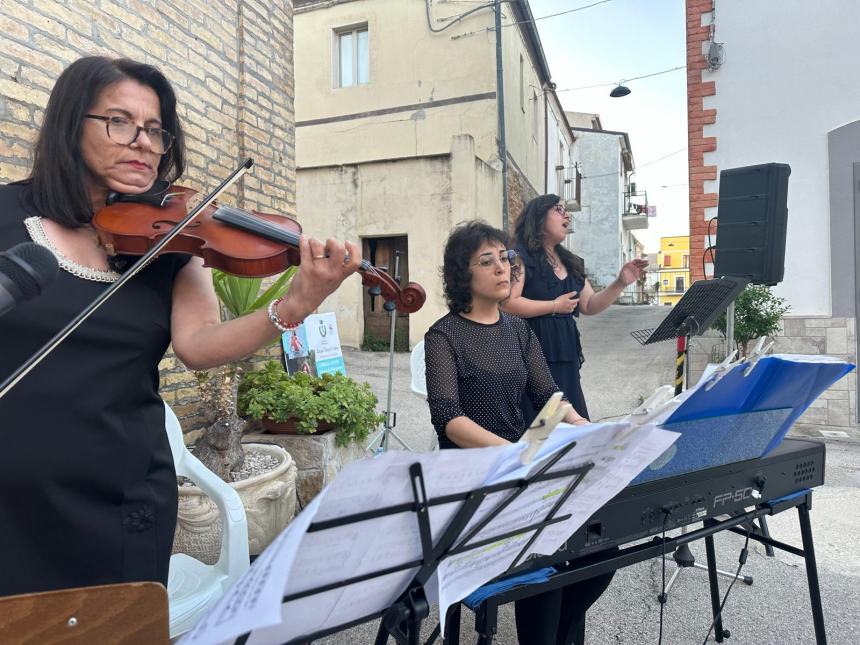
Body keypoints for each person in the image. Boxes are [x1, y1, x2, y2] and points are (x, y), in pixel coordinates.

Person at [0, 56, 361, 597]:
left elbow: (200, 346)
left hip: (121, 499)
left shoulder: (173, 242)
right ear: (70, 123)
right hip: (11, 502)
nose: (143, 142)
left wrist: (299, 300)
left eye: (154, 130)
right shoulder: (6, 215)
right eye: (119, 122)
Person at [424, 221, 609, 645]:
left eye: (504, 259)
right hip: (476, 479)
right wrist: (516, 453)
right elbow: (449, 419)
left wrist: (583, 426)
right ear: (462, 276)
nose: (502, 268)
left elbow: (547, 396)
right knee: (548, 565)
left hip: (522, 464)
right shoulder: (444, 336)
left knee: (602, 551)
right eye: (486, 261)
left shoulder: (518, 330)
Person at [503, 194, 648, 423]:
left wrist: (620, 282)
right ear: (539, 218)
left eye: (566, 211)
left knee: (570, 420)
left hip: (565, 352)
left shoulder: (571, 262)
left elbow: (589, 305)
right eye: (559, 210)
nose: (567, 215)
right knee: (538, 425)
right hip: (531, 352)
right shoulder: (522, 257)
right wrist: (553, 306)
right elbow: (509, 303)